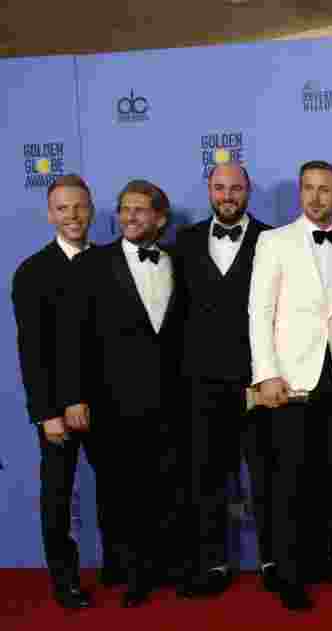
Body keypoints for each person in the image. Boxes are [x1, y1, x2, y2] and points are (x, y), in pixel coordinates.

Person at [58, 179, 185, 608]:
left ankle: (164, 567)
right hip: (112, 400)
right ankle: (131, 574)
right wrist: (73, 397)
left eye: (140, 209)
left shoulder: (175, 262)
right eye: (124, 209)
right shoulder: (91, 265)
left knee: (164, 485)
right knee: (121, 491)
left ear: (160, 219)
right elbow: (71, 337)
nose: (130, 216)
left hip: (169, 398)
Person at [248, 160, 332, 610]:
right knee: (288, 479)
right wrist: (266, 374)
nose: (315, 197)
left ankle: (321, 559)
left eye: (324, 189)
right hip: (289, 379)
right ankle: (288, 572)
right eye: (308, 188)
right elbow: (259, 311)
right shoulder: (274, 241)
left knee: (326, 476)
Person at [175, 163, 272, 598]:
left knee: (267, 474)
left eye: (235, 188)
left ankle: (274, 562)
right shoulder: (185, 241)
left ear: (248, 191)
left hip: (256, 380)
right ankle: (213, 563)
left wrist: (268, 374)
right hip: (200, 382)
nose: (227, 195)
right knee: (206, 476)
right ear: (209, 191)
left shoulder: (271, 240)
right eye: (219, 187)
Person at [12, 175, 105, 609]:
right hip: (55, 410)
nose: (72, 215)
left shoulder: (109, 263)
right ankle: (65, 581)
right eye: (63, 208)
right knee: (57, 498)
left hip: (109, 403)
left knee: (121, 489)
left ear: (91, 210)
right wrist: (48, 412)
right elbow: (32, 351)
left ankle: (123, 567)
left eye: (79, 206)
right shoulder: (32, 272)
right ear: (50, 215)